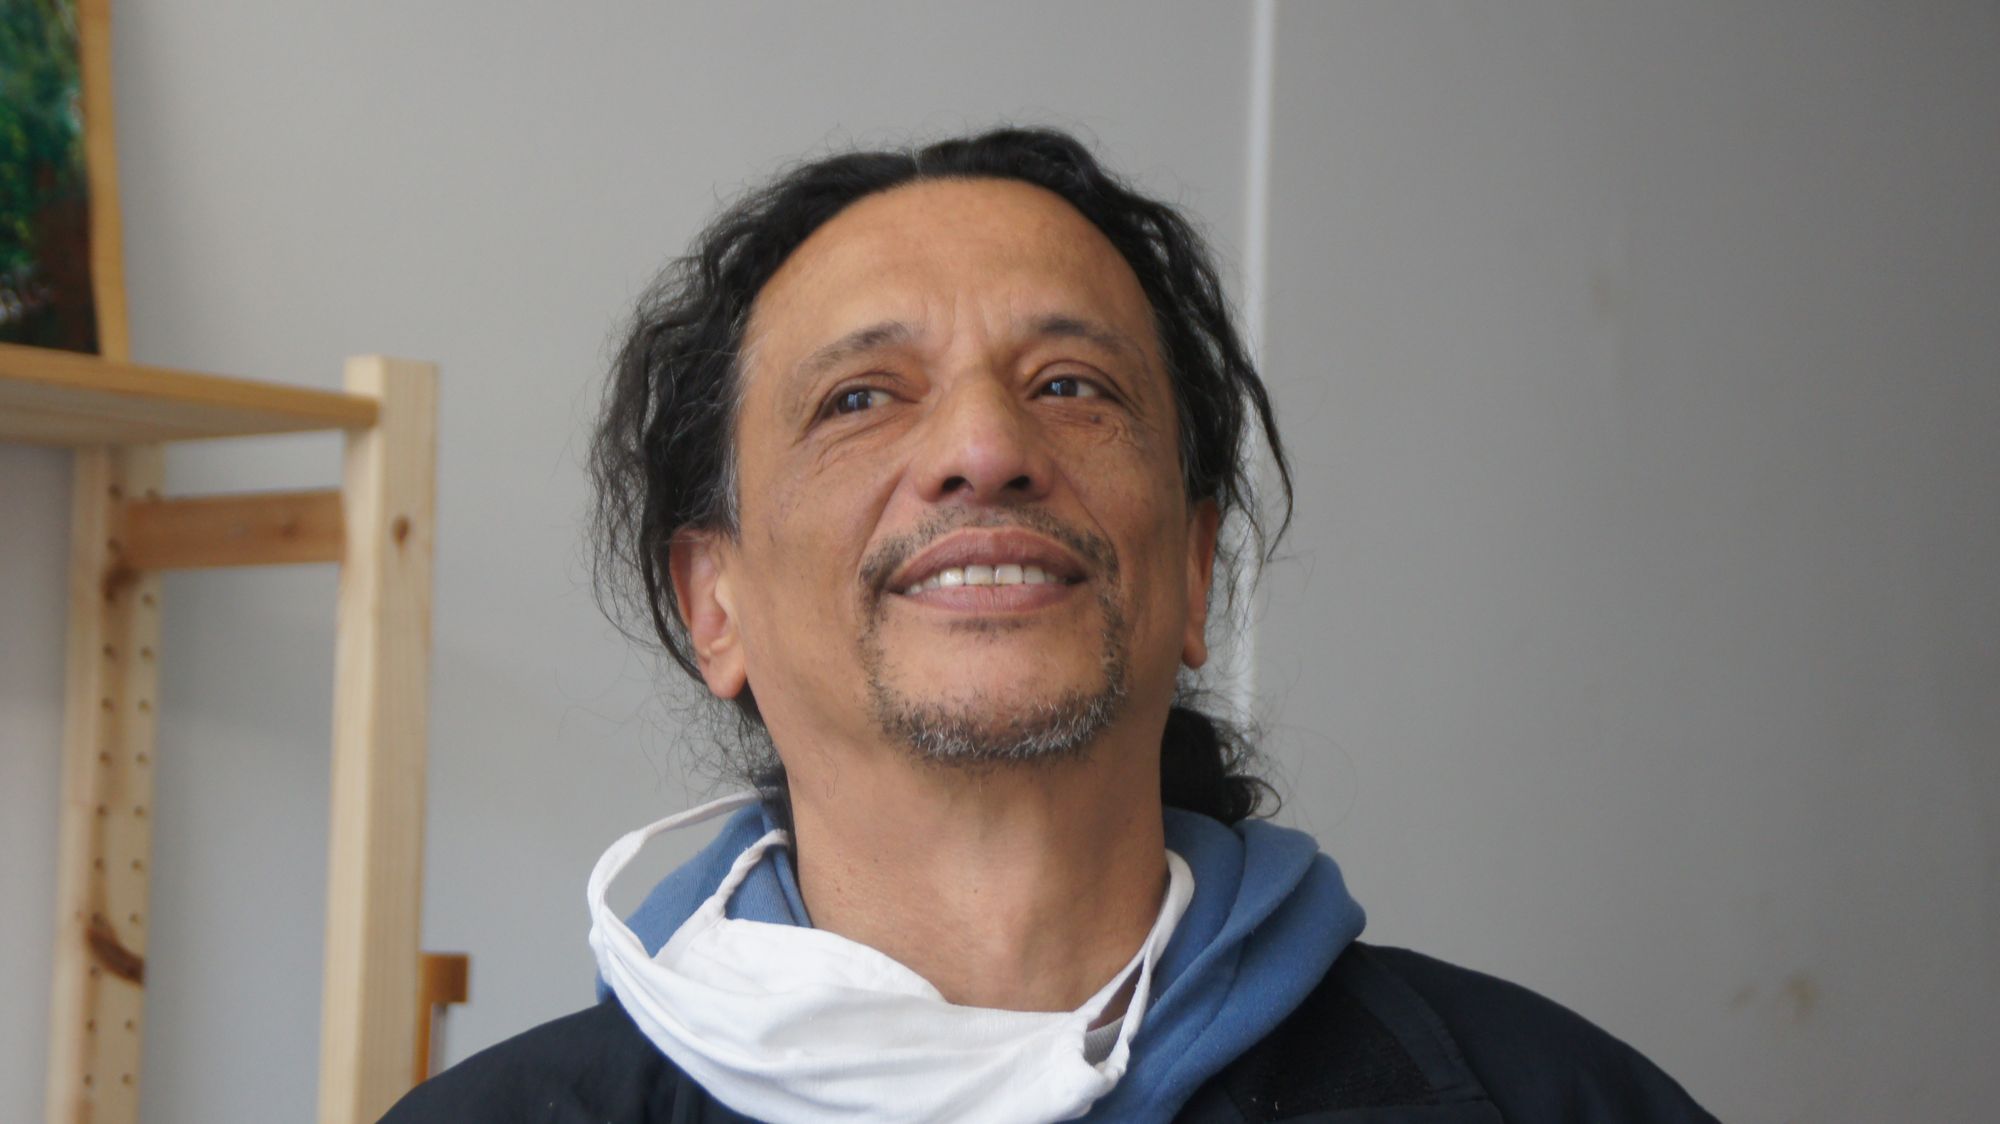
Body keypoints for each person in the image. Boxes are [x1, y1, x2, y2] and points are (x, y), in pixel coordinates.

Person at [383, 128, 1719, 1123]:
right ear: (711, 603)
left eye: (1072, 385)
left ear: (1193, 569)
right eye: (861, 398)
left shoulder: (1552, 1102)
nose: (984, 447)